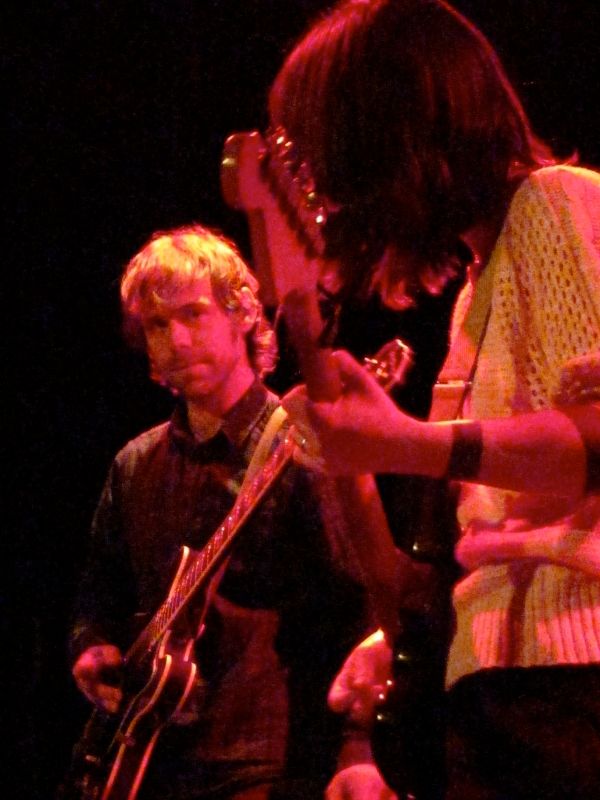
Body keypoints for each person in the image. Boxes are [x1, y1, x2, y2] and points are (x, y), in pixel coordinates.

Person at [267, 1, 600, 798]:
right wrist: (349, 462)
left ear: (393, 127)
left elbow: (593, 444)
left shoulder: (558, 203)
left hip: (571, 682)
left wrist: (399, 443)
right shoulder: (472, 298)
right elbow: (423, 575)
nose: (323, 187)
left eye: (325, 149)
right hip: (497, 693)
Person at [66, 224, 395, 800]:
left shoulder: (304, 444)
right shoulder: (134, 464)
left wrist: (357, 747)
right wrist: (92, 647)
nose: (176, 339)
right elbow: (99, 595)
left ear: (243, 314)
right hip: (149, 763)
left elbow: (359, 606)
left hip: (264, 760)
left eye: (193, 314)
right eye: (157, 325)